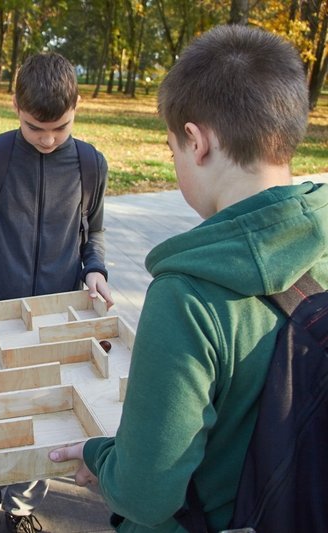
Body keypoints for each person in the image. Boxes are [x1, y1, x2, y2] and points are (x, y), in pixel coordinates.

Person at [49, 25, 327, 532]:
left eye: (174, 148)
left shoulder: (187, 297)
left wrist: (99, 456)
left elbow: (146, 494)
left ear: (197, 142)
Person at [0, 52, 113, 533]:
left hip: (60, 321)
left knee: (48, 421)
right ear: (15, 105)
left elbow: (93, 235)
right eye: (36, 128)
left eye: (61, 127)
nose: (49, 139)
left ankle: (18, 512)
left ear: (77, 106)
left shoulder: (91, 165)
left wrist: (95, 272)